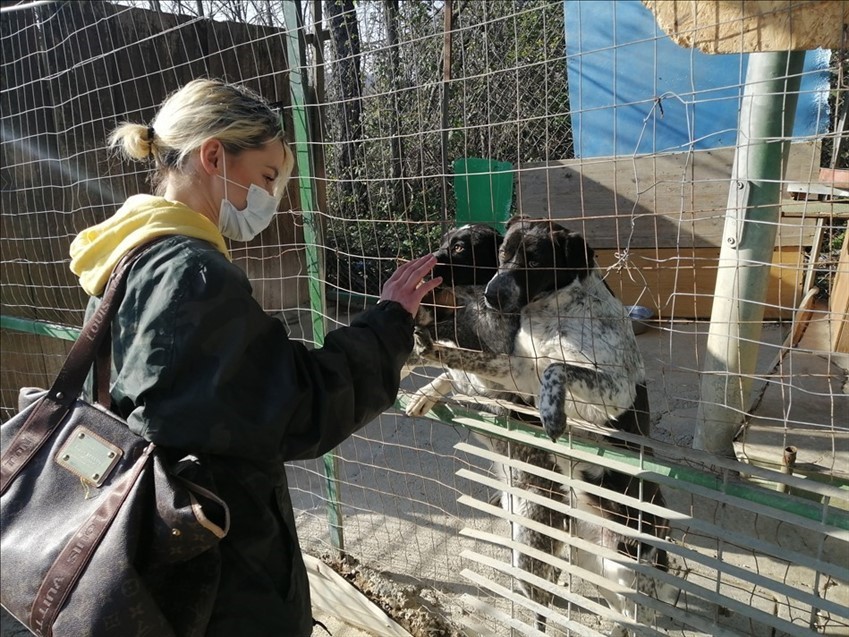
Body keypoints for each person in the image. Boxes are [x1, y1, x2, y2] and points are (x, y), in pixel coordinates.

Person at [68, 78, 442, 636]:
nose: (271, 197)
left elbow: (223, 383)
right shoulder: (192, 273)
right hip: (219, 574)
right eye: (267, 178)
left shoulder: (128, 255)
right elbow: (293, 406)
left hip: (144, 540)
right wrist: (388, 325)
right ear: (214, 155)